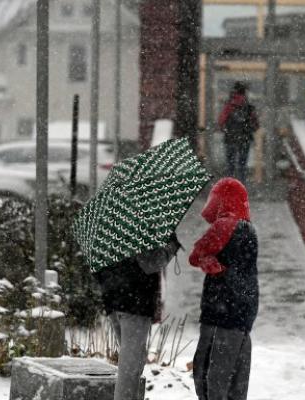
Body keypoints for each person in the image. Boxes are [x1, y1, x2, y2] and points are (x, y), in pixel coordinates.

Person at [189, 178, 259, 400]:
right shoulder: (249, 229)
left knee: (209, 376)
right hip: (243, 311)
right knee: (236, 380)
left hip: (220, 312)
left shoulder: (224, 225)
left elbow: (195, 254)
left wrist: (205, 260)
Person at [94, 236, 180, 400]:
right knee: (130, 364)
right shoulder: (140, 229)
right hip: (134, 302)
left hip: (113, 299)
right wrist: (171, 246)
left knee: (136, 357)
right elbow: (152, 263)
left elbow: (98, 267)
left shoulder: (111, 225)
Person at [218, 82, 260, 183]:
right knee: (242, 165)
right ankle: (241, 185)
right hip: (245, 138)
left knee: (230, 165)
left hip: (230, 138)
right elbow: (256, 124)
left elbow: (221, 121)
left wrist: (226, 129)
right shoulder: (249, 107)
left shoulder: (228, 105)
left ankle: (229, 185)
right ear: (245, 92)